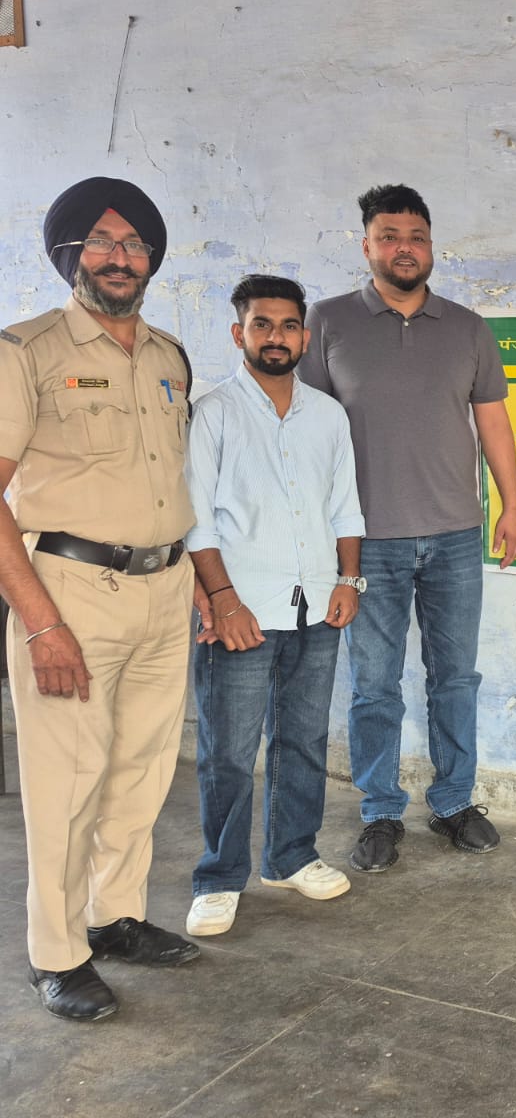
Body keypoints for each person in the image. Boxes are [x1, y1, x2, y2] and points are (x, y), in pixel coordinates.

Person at [0, 177, 203, 1021]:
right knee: (68, 782)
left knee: (142, 770)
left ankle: (114, 916)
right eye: (102, 242)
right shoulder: (26, 352)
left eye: (135, 244)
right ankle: (57, 953)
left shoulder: (167, 356)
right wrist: (41, 623)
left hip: (165, 586)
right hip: (71, 593)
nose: (120, 258)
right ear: (69, 253)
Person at [299, 184, 516, 873]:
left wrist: (512, 505)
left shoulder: (467, 327)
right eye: (390, 236)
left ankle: (455, 802)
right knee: (375, 686)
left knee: (455, 678)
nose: (405, 248)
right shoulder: (328, 322)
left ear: (431, 246)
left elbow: (493, 422)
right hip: (366, 541)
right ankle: (380, 811)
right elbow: (306, 428)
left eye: (416, 237)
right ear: (366, 245)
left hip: (455, 534)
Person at [183, 275, 367, 937]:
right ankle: (218, 877)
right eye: (262, 324)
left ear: (304, 338)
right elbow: (195, 519)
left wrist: (349, 579)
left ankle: (291, 856)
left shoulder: (328, 415)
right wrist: (224, 600)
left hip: (317, 605)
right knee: (229, 752)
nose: (276, 337)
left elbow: (345, 505)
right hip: (243, 612)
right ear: (240, 333)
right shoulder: (213, 413)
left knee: (303, 740)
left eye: (289, 326)